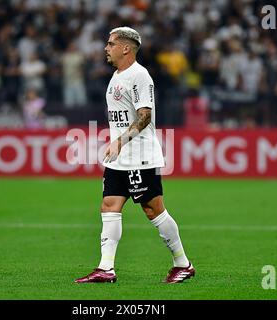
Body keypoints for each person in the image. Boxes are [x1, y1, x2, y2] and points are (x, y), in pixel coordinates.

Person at [75, 27, 195, 284]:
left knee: (153, 210)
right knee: (109, 206)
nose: (106, 48)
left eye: (110, 44)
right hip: (120, 157)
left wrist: (120, 140)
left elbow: (145, 116)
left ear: (125, 48)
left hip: (140, 155)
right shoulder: (117, 76)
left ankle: (183, 264)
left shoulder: (140, 76)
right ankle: (106, 268)